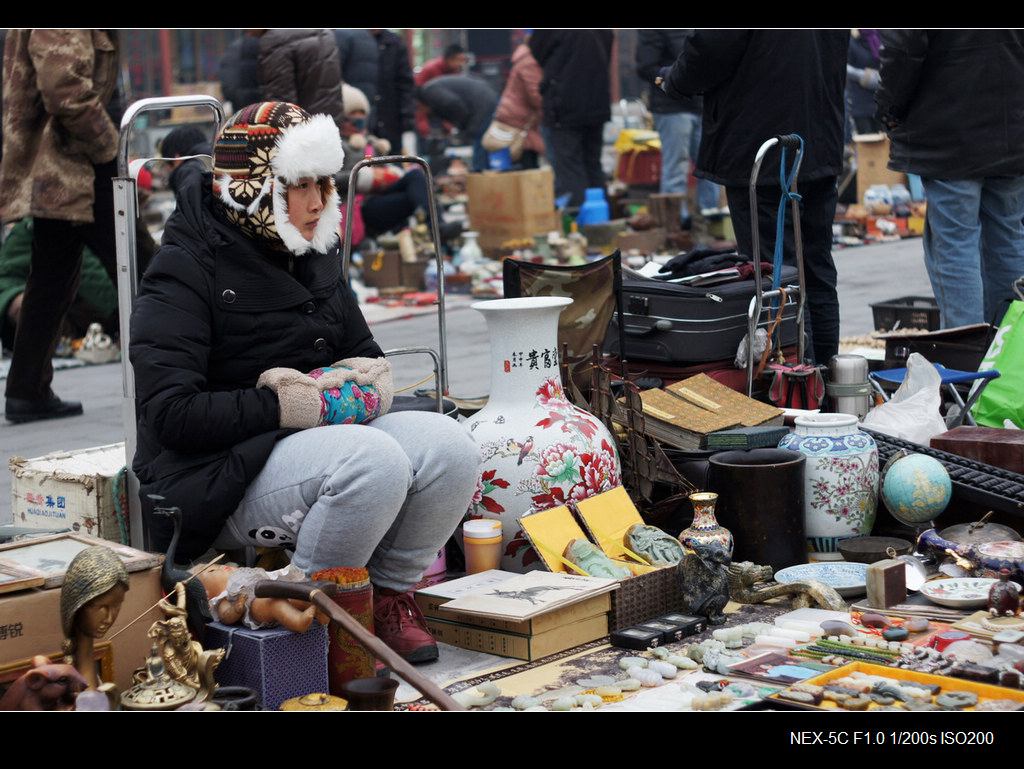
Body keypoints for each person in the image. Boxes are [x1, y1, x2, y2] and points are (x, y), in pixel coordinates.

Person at [129, 102, 480, 663]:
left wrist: (368, 379)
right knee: (374, 460)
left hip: (303, 442)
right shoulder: (185, 266)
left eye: (324, 182)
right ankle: (305, 608)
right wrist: (284, 406)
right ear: (254, 187)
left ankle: (383, 596)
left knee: (453, 446)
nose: (318, 201)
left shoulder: (312, 245)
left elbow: (360, 351)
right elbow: (170, 414)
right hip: (217, 469)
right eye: (298, 185)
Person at [660, 30, 850, 366]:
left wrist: (675, 82)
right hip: (817, 132)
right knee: (814, 268)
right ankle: (826, 381)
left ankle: (796, 384)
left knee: (775, 275)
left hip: (763, 139)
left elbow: (713, 46)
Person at [0, 29, 122, 423]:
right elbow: (64, 90)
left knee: (52, 277)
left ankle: (27, 390)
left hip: (62, 164)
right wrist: (110, 144)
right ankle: (185, 375)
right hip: (75, 159)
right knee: (140, 263)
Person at [875, 30, 1024, 329]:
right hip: (1009, 123)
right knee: (1008, 237)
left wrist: (889, 108)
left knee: (956, 243)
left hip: (949, 127)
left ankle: (967, 360)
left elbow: (905, 44)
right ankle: (1010, 353)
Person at [636, 29, 721, 227]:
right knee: (676, 165)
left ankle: (711, 217)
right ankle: (674, 223)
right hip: (671, 106)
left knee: (710, 161)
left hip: (701, 103)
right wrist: (672, 79)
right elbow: (646, 65)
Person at [529, 30, 614, 208]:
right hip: (596, 101)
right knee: (593, 165)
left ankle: (579, 226)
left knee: (569, 169)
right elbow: (607, 50)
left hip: (564, 104)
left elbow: (537, 49)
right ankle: (601, 222)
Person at [252, 29, 345, 127]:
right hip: (328, 125)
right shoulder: (325, 32)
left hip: (300, 132)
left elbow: (281, 106)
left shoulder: (276, 39)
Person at [483, 34, 545, 170]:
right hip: (520, 124)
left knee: (513, 168)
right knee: (525, 170)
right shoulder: (530, 61)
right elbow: (536, 96)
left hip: (515, 119)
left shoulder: (526, 58)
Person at [415, 74, 499, 173]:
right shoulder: (431, 93)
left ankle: (480, 174)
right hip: (484, 99)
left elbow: (455, 104)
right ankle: (482, 172)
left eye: (417, 108)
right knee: (480, 140)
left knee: (479, 138)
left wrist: (464, 128)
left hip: (483, 102)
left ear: (418, 101)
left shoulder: (431, 92)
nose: (419, 111)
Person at [369, 29, 417, 157]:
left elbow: (405, 83)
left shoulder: (395, 42)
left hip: (391, 115)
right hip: (364, 115)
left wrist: (407, 115)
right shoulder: (355, 39)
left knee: (393, 161)